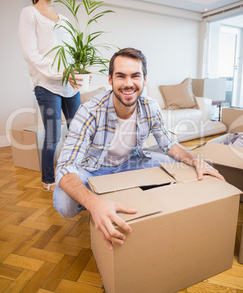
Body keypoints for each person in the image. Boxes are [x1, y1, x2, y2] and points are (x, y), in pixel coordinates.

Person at [53, 47, 224, 250]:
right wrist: (93, 203)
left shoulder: (150, 107)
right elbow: (65, 165)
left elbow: (168, 144)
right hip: (92, 169)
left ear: (144, 80)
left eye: (135, 76)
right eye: (120, 76)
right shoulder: (89, 111)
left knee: (180, 166)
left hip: (130, 162)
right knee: (65, 203)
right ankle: (101, 201)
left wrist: (195, 160)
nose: (128, 83)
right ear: (110, 80)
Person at [19, 0, 84, 192]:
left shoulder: (64, 19)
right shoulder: (30, 14)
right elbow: (30, 53)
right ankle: (49, 179)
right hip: (46, 84)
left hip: (70, 85)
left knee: (77, 131)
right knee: (54, 134)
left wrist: (77, 70)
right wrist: (60, 72)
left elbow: (71, 53)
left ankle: (73, 169)